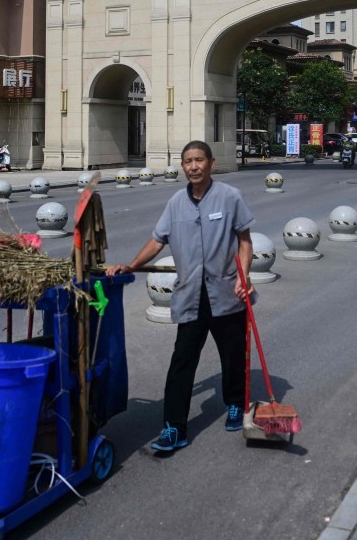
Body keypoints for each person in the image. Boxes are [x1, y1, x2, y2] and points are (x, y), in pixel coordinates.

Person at [106, 141, 255, 452]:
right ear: (183, 166)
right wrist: (132, 264)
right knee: (181, 363)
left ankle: (236, 404)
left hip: (226, 293)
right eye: (188, 161)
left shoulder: (230, 197)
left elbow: (245, 242)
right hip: (190, 296)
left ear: (211, 163)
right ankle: (174, 428)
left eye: (199, 160)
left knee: (232, 355)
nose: (193, 166)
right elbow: (157, 240)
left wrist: (244, 277)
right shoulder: (176, 202)